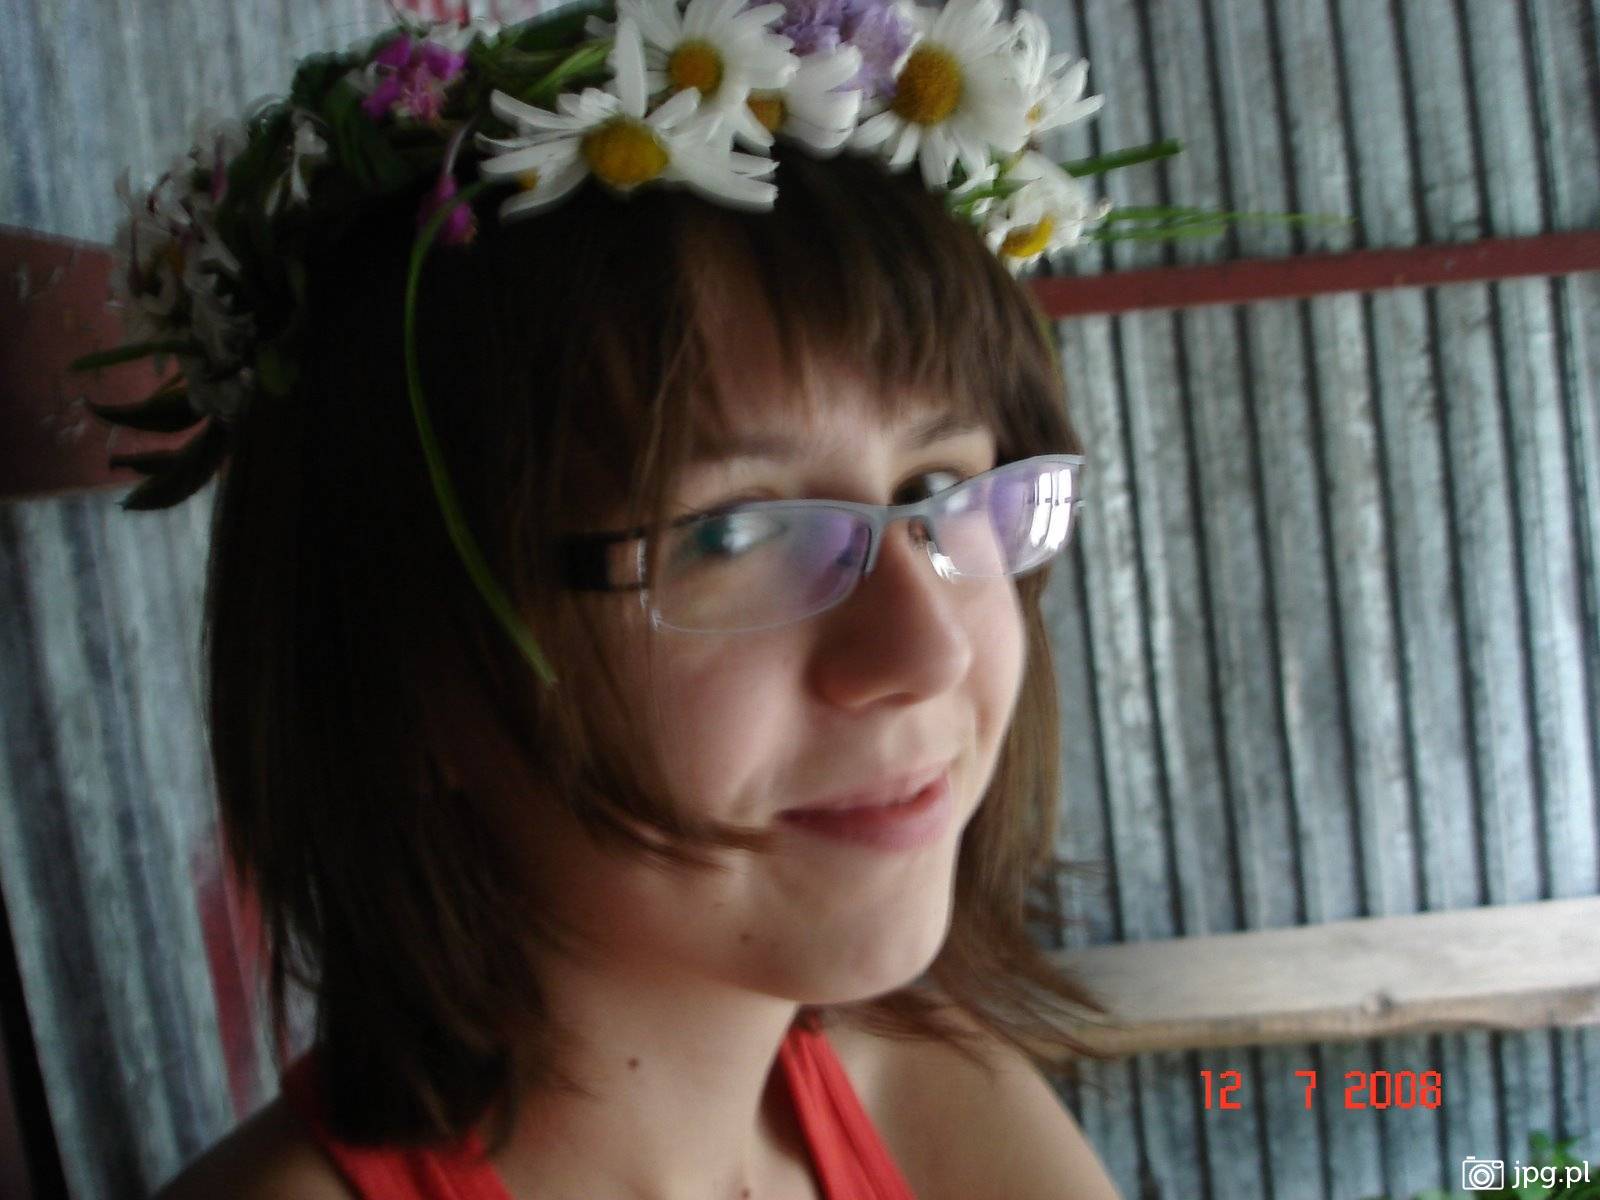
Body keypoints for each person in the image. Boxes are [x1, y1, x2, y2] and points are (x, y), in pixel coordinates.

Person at [86, 1, 1127, 1195]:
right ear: (415, 664)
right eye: (732, 532)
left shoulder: (935, 1094)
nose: (926, 650)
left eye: (936, 488)